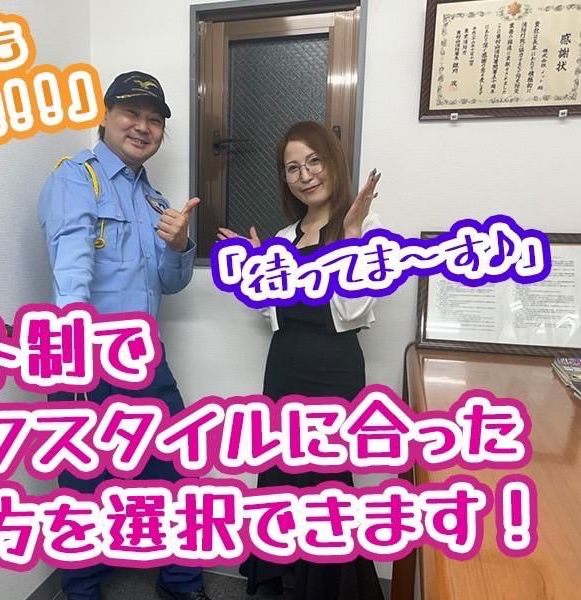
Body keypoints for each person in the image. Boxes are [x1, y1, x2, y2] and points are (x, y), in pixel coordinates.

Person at [38, 71, 211, 600]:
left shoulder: (155, 200)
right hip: (85, 360)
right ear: (106, 116)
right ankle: (82, 591)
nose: (143, 127)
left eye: (154, 120)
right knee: (83, 486)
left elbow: (169, 284)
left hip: (145, 359)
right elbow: (72, 265)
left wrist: (179, 246)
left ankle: (180, 584)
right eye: (131, 113)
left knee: (177, 472)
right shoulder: (76, 179)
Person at [218, 121, 385, 600]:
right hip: (284, 366)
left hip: (333, 370)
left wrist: (350, 233)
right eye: (293, 168)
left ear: (333, 162)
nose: (305, 175)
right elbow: (273, 312)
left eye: (314, 161)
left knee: (327, 485)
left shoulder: (368, 228)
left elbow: (354, 311)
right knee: (282, 475)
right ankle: (285, 579)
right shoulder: (285, 236)